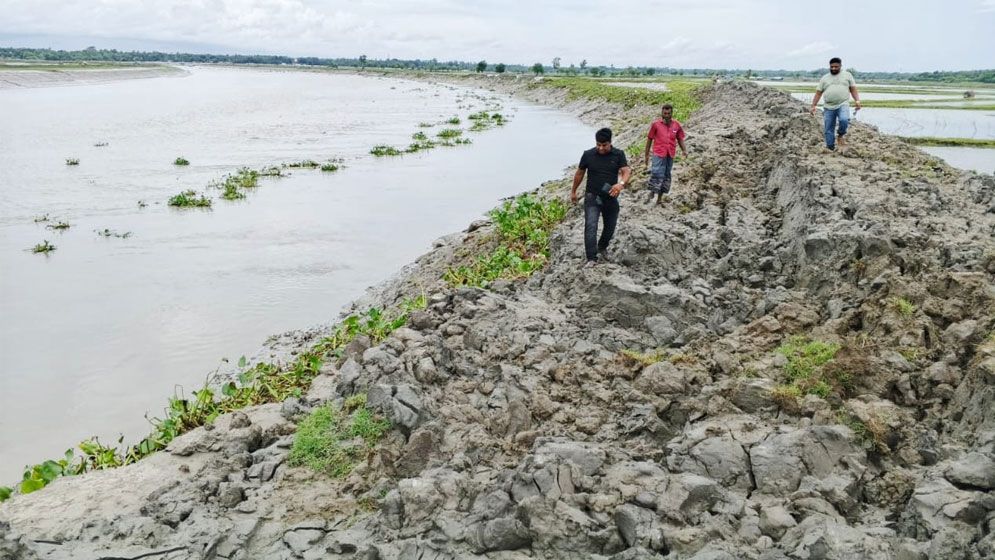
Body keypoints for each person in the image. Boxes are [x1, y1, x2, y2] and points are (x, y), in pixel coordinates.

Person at [571, 127, 632, 267]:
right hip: (592, 196)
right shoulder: (588, 155)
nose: (601, 148)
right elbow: (579, 173)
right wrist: (573, 191)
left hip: (610, 196)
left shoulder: (618, 154)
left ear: (610, 142)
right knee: (591, 226)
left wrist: (620, 184)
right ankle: (591, 258)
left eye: (604, 145)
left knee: (610, 226)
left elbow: (626, 171)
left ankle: (602, 247)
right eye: (598, 145)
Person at [810, 57, 861, 151]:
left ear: (840, 66)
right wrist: (813, 105)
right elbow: (818, 93)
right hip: (828, 106)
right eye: (832, 67)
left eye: (836, 67)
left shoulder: (847, 75)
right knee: (828, 128)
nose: (833, 68)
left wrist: (857, 101)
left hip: (843, 103)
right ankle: (830, 148)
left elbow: (853, 89)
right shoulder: (824, 78)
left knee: (844, 119)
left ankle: (840, 134)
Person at [644, 103, 688, 204]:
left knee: (666, 176)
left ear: (671, 113)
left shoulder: (676, 125)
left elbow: (680, 139)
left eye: (668, 113)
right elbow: (649, 139)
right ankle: (652, 192)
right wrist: (646, 155)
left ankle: (659, 199)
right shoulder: (656, 125)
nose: (666, 115)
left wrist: (684, 150)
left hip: (670, 154)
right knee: (656, 172)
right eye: (665, 113)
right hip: (658, 153)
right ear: (662, 113)